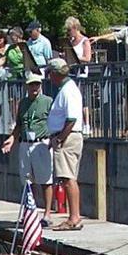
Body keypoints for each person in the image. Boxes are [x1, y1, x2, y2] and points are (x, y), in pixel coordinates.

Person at [1, 71, 54, 222]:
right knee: (27, 181)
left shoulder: (48, 101)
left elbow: (55, 121)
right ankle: (31, 212)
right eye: (31, 85)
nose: (34, 87)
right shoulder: (23, 103)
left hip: (41, 143)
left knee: (45, 180)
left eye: (37, 84)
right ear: (27, 86)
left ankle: (47, 213)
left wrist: (54, 138)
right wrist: (12, 139)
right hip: (25, 143)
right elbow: (19, 124)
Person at [46, 58, 86, 231]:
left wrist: (60, 138)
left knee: (68, 178)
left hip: (68, 138)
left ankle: (74, 218)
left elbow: (71, 119)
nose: (49, 76)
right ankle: (73, 217)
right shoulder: (66, 89)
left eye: (50, 73)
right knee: (68, 178)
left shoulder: (68, 90)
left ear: (55, 74)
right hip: (66, 137)